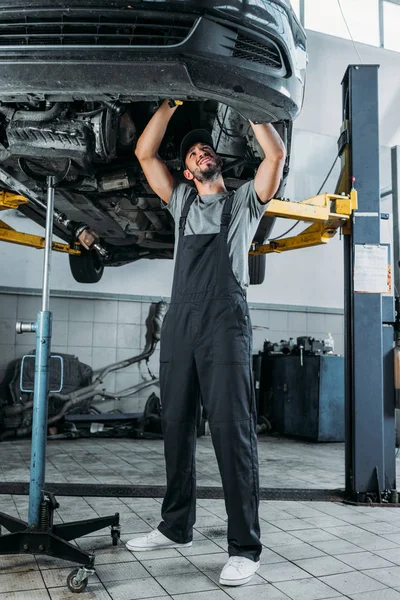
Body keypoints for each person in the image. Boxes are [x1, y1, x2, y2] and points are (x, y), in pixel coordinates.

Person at [126, 99, 286, 587]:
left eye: (205, 148)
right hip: (182, 320)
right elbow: (144, 153)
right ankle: (176, 527)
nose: (200, 152)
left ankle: (245, 546)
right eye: (192, 152)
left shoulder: (242, 203)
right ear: (188, 170)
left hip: (224, 322)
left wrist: (251, 108)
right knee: (174, 424)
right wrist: (170, 104)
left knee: (232, 430)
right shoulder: (181, 203)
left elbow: (274, 160)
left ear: (217, 161)